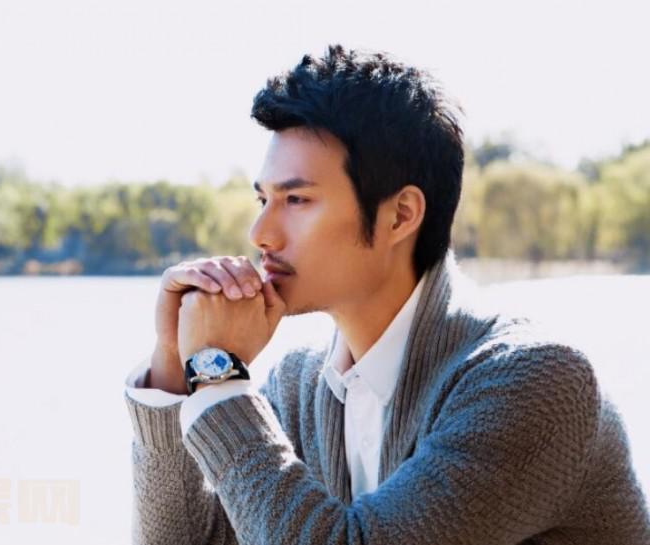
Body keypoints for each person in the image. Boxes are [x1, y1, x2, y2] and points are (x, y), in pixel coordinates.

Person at [123, 44, 650, 544]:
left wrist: (218, 378)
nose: (260, 233)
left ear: (400, 215)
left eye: (297, 199)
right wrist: (175, 370)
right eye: (263, 200)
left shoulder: (534, 382)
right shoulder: (300, 385)